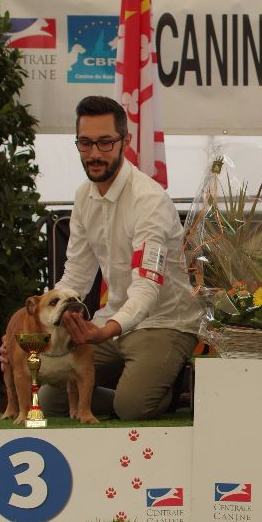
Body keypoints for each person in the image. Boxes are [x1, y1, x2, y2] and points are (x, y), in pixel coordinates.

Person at [32, 95, 201, 419]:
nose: (94, 154)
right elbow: (76, 277)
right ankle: (132, 383)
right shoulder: (83, 196)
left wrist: (105, 330)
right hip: (112, 320)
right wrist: (44, 319)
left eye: (105, 143)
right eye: (85, 143)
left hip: (166, 323)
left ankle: (169, 386)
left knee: (132, 407)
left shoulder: (149, 199)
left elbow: (146, 288)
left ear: (125, 141)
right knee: (53, 399)